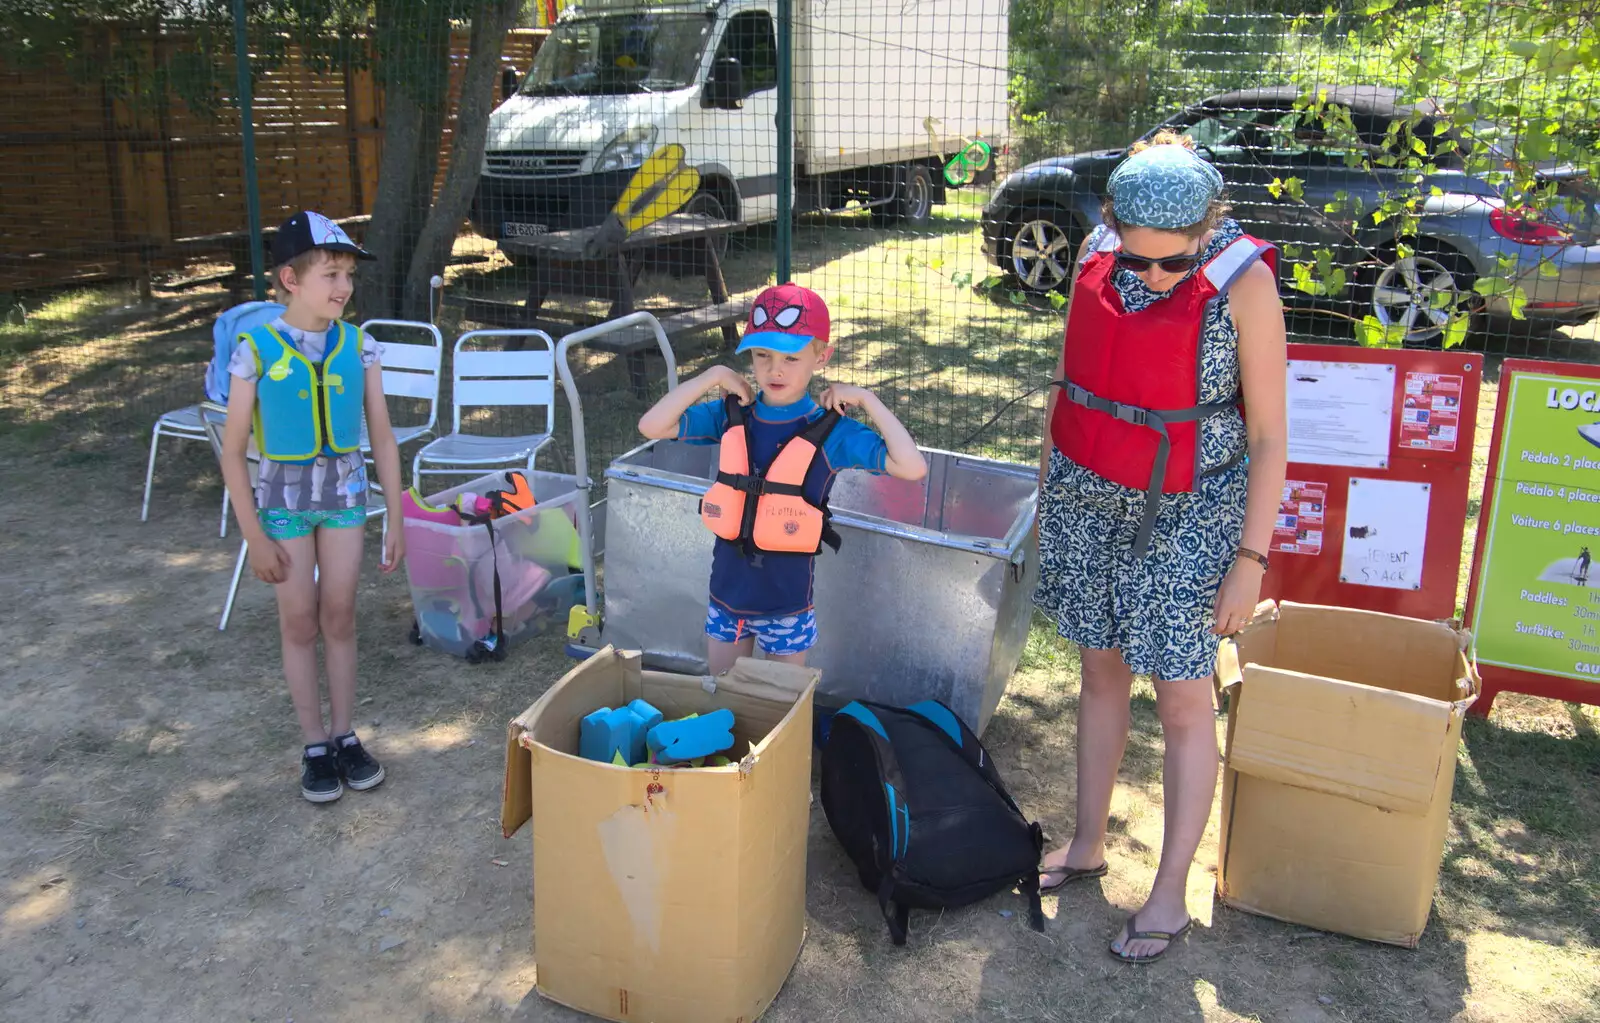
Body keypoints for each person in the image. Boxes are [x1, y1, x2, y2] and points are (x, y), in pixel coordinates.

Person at [1031, 133, 1288, 963]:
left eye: (1170, 265)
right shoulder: (1100, 252)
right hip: (1089, 494)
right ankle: (1087, 840)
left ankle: (1171, 890)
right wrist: (1048, 494)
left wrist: (1250, 561)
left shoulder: (1245, 284)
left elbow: (1271, 437)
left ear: (1208, 228)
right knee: (1099, 668)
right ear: (1112, 223)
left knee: (1182, 700)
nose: (1150, 278)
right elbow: (1068, 385)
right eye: (1135, 259)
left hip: (1189, 509)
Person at [637, 282, 927, 674]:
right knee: (723, 701)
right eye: (761, 355)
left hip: (786, 607)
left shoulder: (832, 431)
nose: (774, 369)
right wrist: (714, 375)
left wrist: (866, 398)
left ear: (821, 357)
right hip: (727, 598)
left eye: (791, 358)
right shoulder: (731, 416)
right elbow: (652, 425)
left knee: (779, 712)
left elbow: (912, 467)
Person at [218, 211, 405, 804]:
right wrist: (254, 537)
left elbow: (382, 437)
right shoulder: (255, 350)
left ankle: (346, 734)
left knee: (340, 614)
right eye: (331, 273)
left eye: (348, 273)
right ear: (290, 279)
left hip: (347, 499)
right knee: (298, 620)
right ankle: (314, 744)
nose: (343, 286)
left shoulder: (361, 346)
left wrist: (396, 515)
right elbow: (231, 453)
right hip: (282, 506)